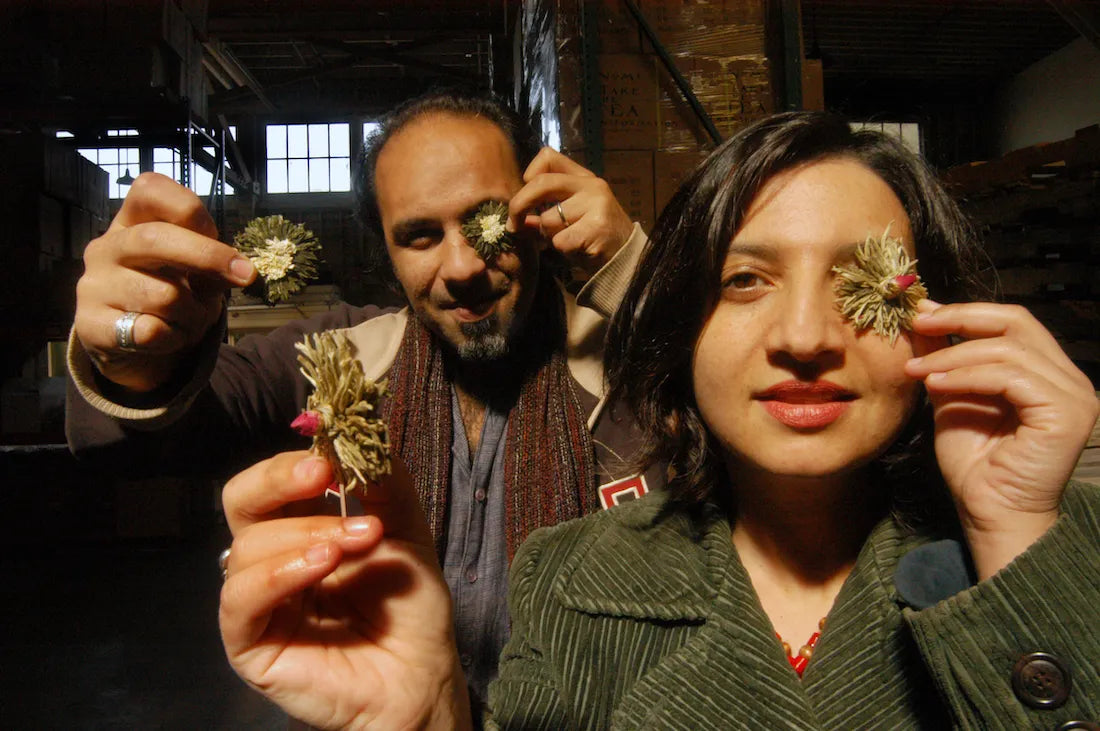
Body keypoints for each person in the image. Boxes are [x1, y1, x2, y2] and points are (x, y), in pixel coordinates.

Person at [215, 111, 1100, 729]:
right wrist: (426, 712)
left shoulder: (1053, 546)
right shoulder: (568, 580)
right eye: (745, 279)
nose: (802, 336)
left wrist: (1017, 541)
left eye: (862, 284)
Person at [65, 90, 658, 706]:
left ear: (537, 219)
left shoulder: (635, 368)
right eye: (420, 236)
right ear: (388, 250)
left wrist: (635, 277)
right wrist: (130, 359)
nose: (459, 267)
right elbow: (126, 446)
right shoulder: (340, 363)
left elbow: (734, 399)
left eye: (485, 223)